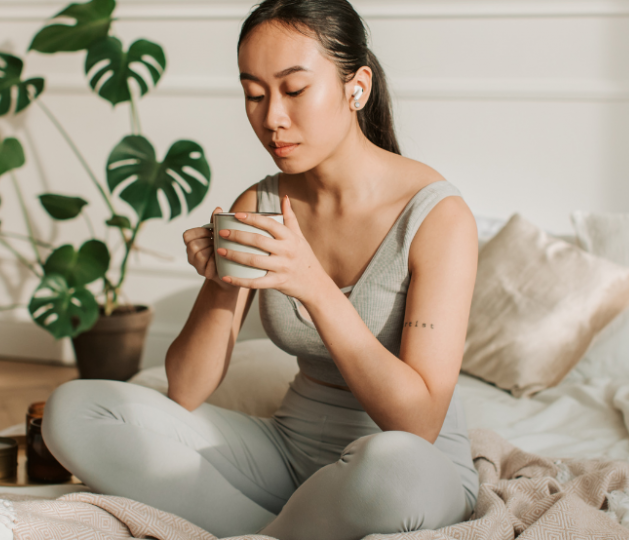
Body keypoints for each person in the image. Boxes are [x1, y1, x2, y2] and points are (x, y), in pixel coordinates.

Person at [43, 1, 480, 538]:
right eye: (254, 94)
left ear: (356, 87)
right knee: (73, 409)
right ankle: (279, 531)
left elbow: (418, 424)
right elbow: (184, 391)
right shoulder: (261, 203)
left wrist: (315, 288)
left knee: (393, 469)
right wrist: (220, 282)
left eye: (294, 90)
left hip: (405, 470)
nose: (271, 118)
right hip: (289, 457)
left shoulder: (437, 216)